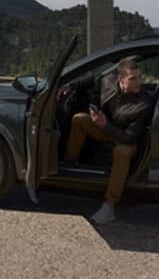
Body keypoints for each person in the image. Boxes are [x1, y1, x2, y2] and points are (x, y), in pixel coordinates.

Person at [59, 59, 152, 224]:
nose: (139, 82)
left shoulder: (143, 104)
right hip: (107, 128)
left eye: (139, 77)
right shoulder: (108, 80)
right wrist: (69, 86)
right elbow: (92, 79)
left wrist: (104, 125)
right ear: (120, 79)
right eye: (133, 78)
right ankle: (68, 165)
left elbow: (129, 137)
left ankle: (109, 205)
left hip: (126, 139)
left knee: (121, 152)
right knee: (79, 119)